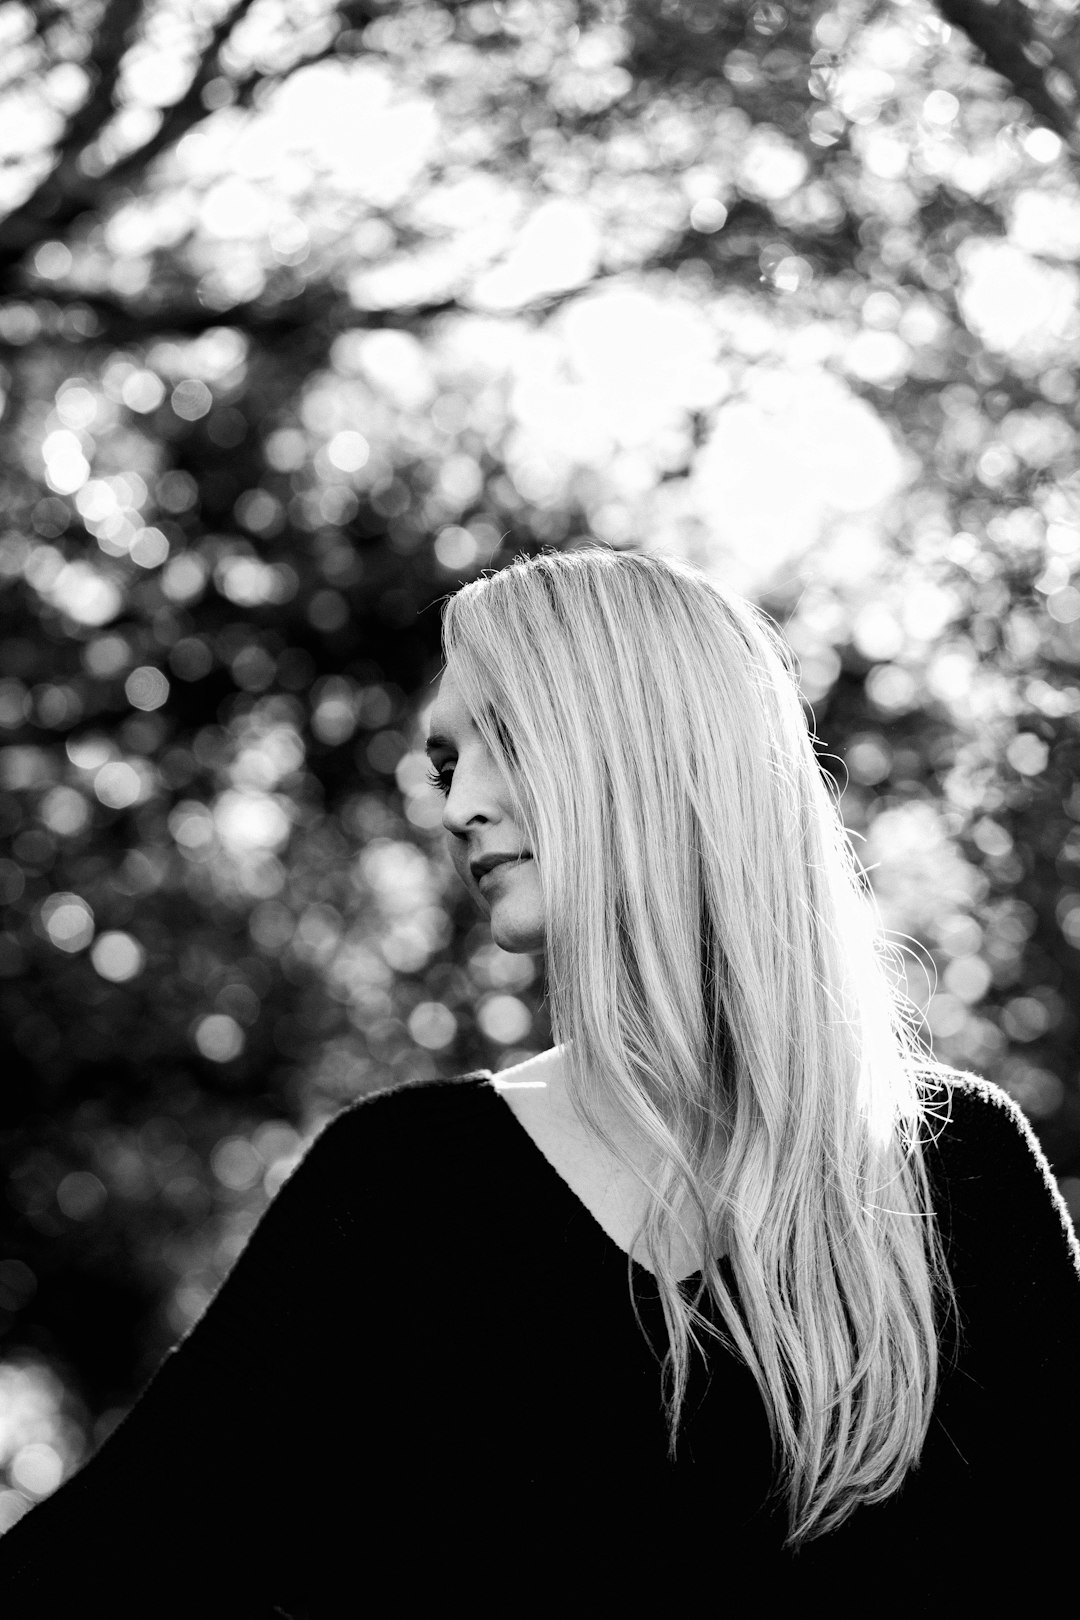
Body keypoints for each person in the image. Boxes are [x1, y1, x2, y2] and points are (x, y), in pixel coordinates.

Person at [1, 544, 1078, 1616]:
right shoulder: (399, 1190)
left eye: (503, 741)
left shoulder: (959, 1175)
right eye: (443, 764)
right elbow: (94, 1572)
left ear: (655, 750)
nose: (455, 803)